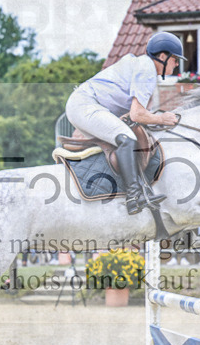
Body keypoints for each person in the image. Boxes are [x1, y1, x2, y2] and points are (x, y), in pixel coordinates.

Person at [64, 31, 183, 215]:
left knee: (126, 137)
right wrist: (162, 118)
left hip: (84, 105)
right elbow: (137, 114)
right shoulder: (147, 69)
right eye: (175, 59)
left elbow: (133, 114)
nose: (177, 64)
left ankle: (133, 190)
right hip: (85, 104)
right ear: (162, 56)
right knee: (126, 138)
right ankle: (134, 195)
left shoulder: (143, 65)